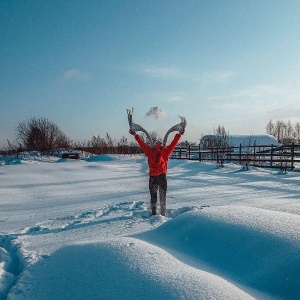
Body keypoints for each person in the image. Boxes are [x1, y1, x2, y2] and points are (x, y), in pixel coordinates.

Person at [129, 130, 184, 216]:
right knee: (162, 197)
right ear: (161, 144)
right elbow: (174, 143)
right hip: (161, 177)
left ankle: (154, 213)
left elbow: (142, 144)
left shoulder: (150, 151)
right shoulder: (165, 151)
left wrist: (136, 135)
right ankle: (162, 213)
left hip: (153, 177)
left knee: (153, 197)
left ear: (155, 145)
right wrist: (179, 135)